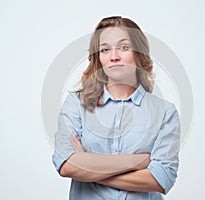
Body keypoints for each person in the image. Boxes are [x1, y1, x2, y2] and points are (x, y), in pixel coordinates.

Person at [52, 16, 180, 200]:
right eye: (105, 50)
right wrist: (137, 162)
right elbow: (66, 166)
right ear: (98, 58)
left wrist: (88, 166)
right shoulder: (76, 104)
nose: (114, 56)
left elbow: (161, 179)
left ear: (139, 53)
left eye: (124, 47)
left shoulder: (164, 112)